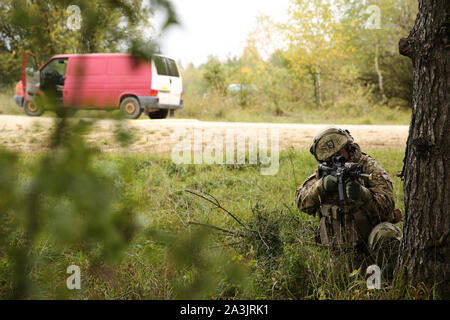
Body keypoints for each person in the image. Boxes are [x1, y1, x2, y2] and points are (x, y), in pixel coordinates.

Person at [295, 127, 402, 275]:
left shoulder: (368, 167)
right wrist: (321, 187)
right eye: (330, 159)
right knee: (334, 279)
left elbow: (387, 206)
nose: (337, 161)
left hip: (371, 247)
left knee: (385, 234)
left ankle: (391, 279)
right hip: (342, 250)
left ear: (349, 148)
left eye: (339, 155)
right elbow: (302, 202)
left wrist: (364, 196)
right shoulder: (324, 173)